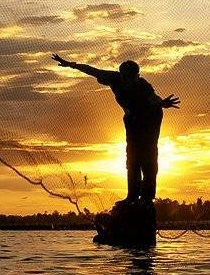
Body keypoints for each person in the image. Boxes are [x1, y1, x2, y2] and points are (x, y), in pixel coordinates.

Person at [52, 54, 179, 203]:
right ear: (121, 75)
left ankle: (147, 196)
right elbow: (91, 70)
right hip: (132, 119)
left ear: (137, 76)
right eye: (125, 78)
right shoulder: (113, 78)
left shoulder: (143, 85)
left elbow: (154, 99)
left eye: (131, 78)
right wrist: (70, 64)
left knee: (148, 155)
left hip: (150, 117)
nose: (128, 82)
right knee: (132, 156)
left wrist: (163, 103)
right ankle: (132, 195)